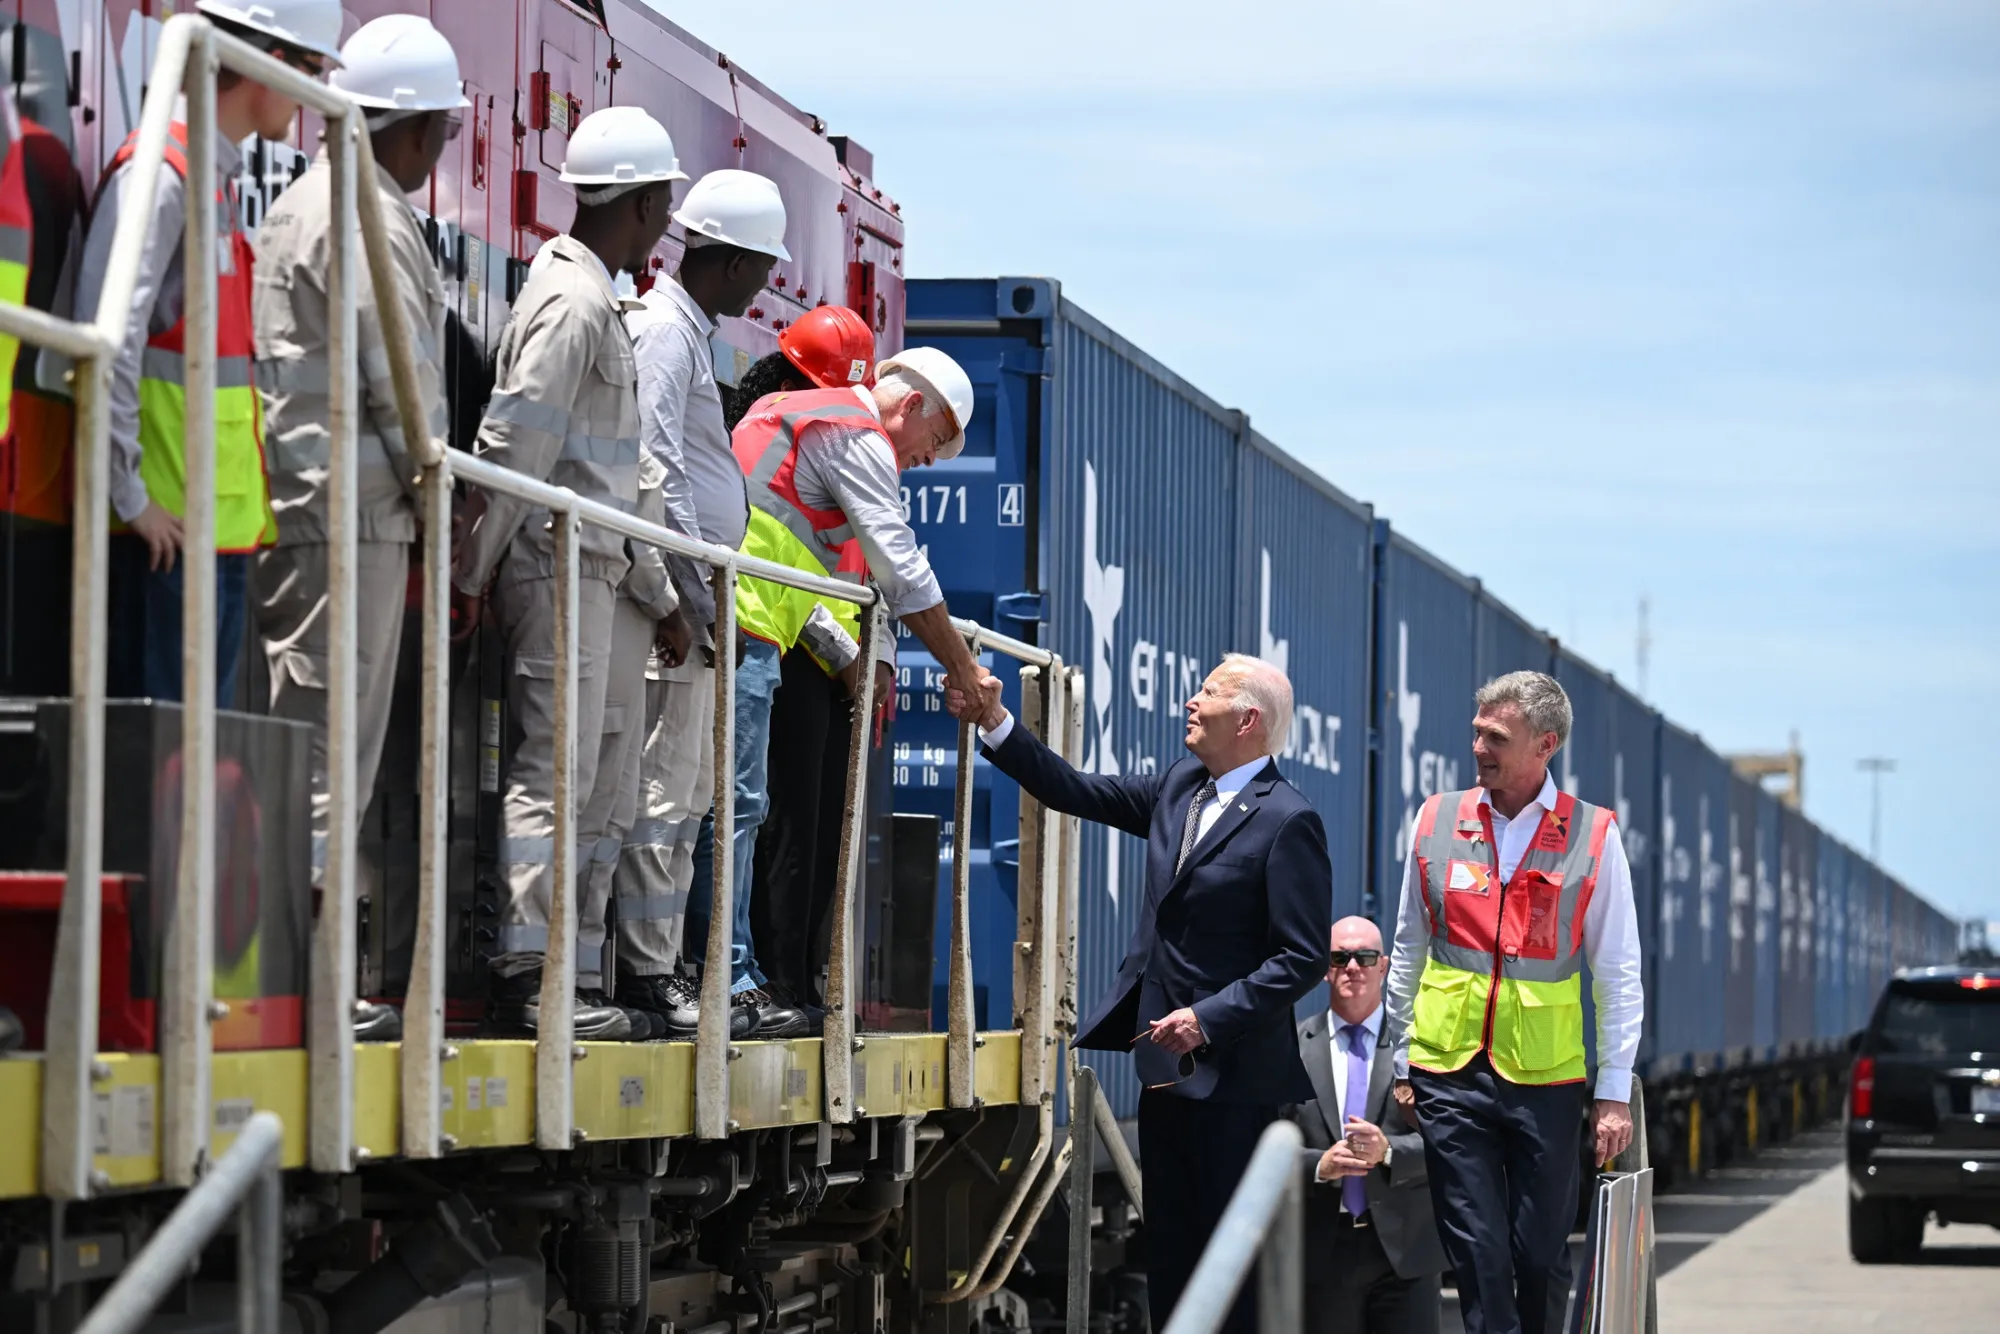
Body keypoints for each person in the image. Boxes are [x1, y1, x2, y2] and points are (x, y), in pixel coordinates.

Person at [949, 652, 1332, 1334]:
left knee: (1230, 1268)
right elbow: (1074, 790)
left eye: (1207, 693)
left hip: (1236, 1087)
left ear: (1247, 719)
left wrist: (1209, 1018)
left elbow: (1301, 957)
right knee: (1175, 1261)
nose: (1191, 702)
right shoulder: (1182, 787)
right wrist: (997, 721)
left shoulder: (1288, 820)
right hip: (1166, 1073)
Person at [250, 13, 468, 1042]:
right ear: (415, 129)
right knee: (334, 750)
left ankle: (300, 976)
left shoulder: (308, 204)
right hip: (355, 518)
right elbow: (406, 388)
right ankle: (316, 989)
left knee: (307, 741)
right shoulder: (372, 219)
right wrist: (445, 500)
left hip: (311, 508)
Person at [452, 106, 683, 1040]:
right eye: (663, 199)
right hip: (554, 568)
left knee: (582, 779)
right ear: (642, 200)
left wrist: (657, 587)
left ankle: (565, 979)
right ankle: (527, 975)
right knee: (551, 774)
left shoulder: (593, 298)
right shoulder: (575, 302)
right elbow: (515, 444)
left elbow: (611, 466)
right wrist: (471, 572)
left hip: (586, 571)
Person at [690, 343, 993, 1034]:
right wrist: (961, 667)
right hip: (743, 625)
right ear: (911, 405)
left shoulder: (793, 413)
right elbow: (899, 567)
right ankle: (731, 979)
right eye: (934, 443)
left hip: (747, 625)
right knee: (734, 811)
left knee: (735, 810)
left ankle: (739, 976)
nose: (926, 461)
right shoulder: (854, 436)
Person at [75, 0, 345, 707]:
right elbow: (107, 346)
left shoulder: (206, 181)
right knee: (155, 783)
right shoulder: (163, 179)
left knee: (180, 784)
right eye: (314, 72)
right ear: (269, 65)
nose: (317, 98)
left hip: (200, 541)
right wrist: (131, 498)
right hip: (162, 544)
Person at [1382, 670, 1643, 1334]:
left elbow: (1617, 972)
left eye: (1497, 736)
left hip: (1545, 1078)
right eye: (1477, 732)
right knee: (1479, 1253)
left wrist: (1612, 1091)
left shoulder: (1592, 836)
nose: (1479, 747)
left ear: (1545, 744)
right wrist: (1402, 1055)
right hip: (1449, 1071)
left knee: (1538, 1255)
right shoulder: (1436, 819)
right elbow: (1409, 944)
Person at [603, 169, 786, 1040]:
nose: (766, 285)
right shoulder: (669, 337)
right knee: (663, 795)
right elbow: (657, 465)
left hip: (697, 607)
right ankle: (645, 971)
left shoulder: (684, 331)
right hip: (682, 610)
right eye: (762, 266)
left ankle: (660, 963)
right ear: (735, 260)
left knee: (686, 795)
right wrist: (686, 591)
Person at [731, 308, 894, 1034]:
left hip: (828, 657)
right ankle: (781, 979)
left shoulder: (850, 452)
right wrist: (849, 654)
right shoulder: (809, 440)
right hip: (795, 648)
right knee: (784, 826)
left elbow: (874, 573)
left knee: (821, 832)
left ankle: (802, 979)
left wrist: (875, 657)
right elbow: (788, 558)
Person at [1291, 917, 1444, 1334]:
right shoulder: (1292, 1050)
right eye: (1340, 957)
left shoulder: (1423, 1049)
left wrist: (1389, 1152)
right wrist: (1319, 1165)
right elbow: (1266, 1143)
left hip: (1406, 1252)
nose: (1353, 967)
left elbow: (1450, 1143)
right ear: (1325, 968)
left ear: (1385, 966)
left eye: (1365, 957)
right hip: (1323, 1253)